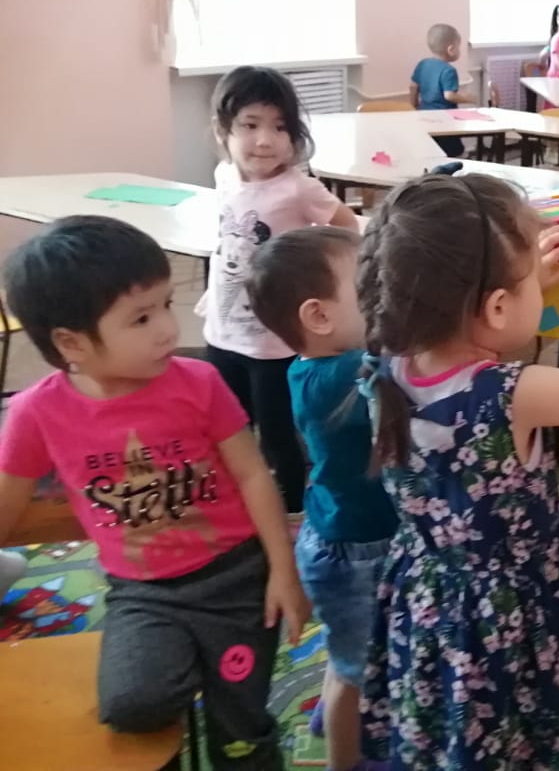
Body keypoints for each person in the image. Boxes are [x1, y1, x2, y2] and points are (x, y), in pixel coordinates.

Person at [355, 173, 559, 768]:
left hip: (427, 590)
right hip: (503, 612)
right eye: (529, 278)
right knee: (505, 733)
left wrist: (523, 286)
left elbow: (476, 332)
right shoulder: (511, 395)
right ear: (497, 306)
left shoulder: (385, 360)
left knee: (442, 713)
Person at [0, 216, 310, 770]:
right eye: (142, 318)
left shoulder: (199, 381)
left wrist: (282, 571)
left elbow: (252, 475)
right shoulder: (35, 413)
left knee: (240, 725)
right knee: (134, 706)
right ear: (71, 342)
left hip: (238, 576)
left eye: (166, 304)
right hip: (144, 592)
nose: (169, 328)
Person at [245, 227, 396, 771]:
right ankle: (343, 755)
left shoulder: (324, 365)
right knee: (355, 669)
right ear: (319, 316)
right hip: (355, 550)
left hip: (348, 534)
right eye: (370, 289)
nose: (386, 299)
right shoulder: (345, 375)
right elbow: (416, 363)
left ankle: (343, 715)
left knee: (355, 650)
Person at [199, 66, 360, 513]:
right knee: (227, 427)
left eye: (279, 127)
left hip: (272, 341)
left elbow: (346, 227)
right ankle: (239, 506)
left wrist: (319, 276)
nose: (265, 140)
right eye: (250, 125)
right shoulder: (224, 175)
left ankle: (289, 514)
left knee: (277, 435)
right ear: (222, 130)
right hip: (222, 331)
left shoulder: (298, 189)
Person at [410, 23, 474, 158]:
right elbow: (449, 96)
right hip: (444, 119)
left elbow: (413, 87)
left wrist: (414, 105)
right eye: (459, 47)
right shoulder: (449, 70)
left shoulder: (423, 64)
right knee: (453, 151)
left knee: (431, 149)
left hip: (424, 116)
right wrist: (468, 98)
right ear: (451, 49)